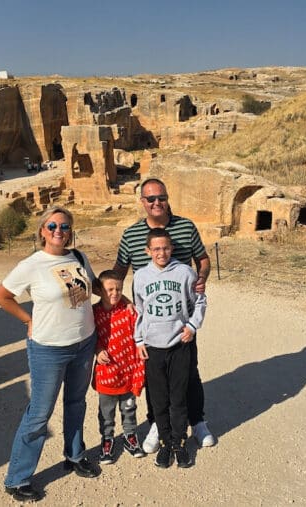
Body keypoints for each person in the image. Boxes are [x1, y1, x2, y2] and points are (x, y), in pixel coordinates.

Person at [0, 207, 101, 502]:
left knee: (76, 402)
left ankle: (75, 455)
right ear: (42, 230)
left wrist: (123, 294)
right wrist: (28, 320)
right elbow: (2, 295)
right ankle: (17, 478)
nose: (59, 231)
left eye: (64, 226)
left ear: (70, 230)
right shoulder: (32, 264)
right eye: (52, 225)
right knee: (40, 413)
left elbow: (95, 288)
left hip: (84, 341)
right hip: (49, 348)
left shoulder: (78, 257)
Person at [111, 178, 215, 453]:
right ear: (142, 202)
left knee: (189, 373)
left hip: (181, 319)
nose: (156, 203)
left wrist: (202, 278)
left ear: (168, 198)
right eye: (150, 199)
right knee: (154, 377)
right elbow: (120, 270)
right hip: (151, 321)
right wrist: (117, 300)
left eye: (161, 197)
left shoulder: (185, 226)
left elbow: (202, 259)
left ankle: (198, 420)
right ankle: (157, 422)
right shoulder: (131, 234)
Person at [133, 229, 207, 468]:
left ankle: (179, 442)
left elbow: (200, 301)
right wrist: (138, 340)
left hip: (179, 345)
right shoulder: (141, 276)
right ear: (148, 251)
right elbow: (139, 310)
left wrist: (193, 326)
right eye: (156, 249)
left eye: (165, 248)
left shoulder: (185, 272)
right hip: (153, 347)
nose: (161, 253)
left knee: (178, 397)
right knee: (159, 399)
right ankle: (165, 443)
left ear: (172, 248)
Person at [92, 270, 146, 465]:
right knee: (106, 412)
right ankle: (107, 440)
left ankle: (130, 436)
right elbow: (91, 338)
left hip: (128, 370)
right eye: (110, 289)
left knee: (129, 408)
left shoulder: (129, 311)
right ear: (99, 290)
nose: (114, 293)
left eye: (119, 289)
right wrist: (98, 351)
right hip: (106, 373)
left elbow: (140, 333)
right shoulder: (93, 313)